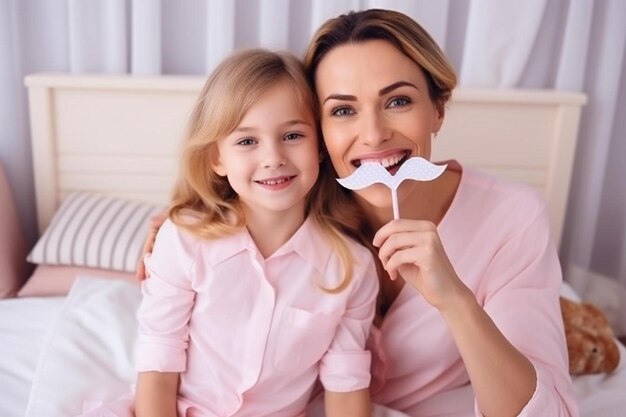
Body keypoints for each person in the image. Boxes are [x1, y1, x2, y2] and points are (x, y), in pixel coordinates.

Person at [139, 9, 579, 417]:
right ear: (319, 130)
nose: (373, 134)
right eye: (343, 110)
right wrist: (172, 227)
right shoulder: (291, 189)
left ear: (438, 110)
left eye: (398, 101)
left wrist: (455, 300)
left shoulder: (511, 217)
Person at [133, 49, 379, 417]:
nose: (273, 157)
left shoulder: (351, 269)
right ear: (217, 158)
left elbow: (346, 385)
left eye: (293, 135)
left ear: (321, 147)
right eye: (247, 141)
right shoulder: (183, 241)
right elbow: (158, 362)